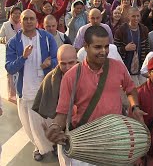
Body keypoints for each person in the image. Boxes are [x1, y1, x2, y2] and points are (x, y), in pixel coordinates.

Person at [43, 26, 145, 165]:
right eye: (97, 47)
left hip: (115, 140)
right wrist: (55, 127)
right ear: (85, 46)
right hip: (85, 143)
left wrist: (135, 107)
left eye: (106, 46)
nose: (103, 51)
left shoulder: (118, 67)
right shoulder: (71, 76)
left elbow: (130, 89)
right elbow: (62, 112)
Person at [5, 9, 58, 161]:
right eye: (25, 19)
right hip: (26, 91)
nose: (29, 21)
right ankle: (39, 148)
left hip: (46, 88)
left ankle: (53, 144)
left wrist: (50, 63)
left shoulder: (46, 38)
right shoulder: (14, 42)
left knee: (49, 121)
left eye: (31, 18)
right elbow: (9, 67)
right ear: (20, 22)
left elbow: (57, 59)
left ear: (36, 21)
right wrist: (23, 58)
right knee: (31, 126)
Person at [114, 7, 150, 86]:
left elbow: (147, 47)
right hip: (126, 67)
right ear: (128, 16)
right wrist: (125, 48)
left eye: (138, 16)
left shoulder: (144, 29)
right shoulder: (121, 30)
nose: (136, 18)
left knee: (143, 90)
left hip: (141, 67)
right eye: (133, 16)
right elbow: (114, 50)